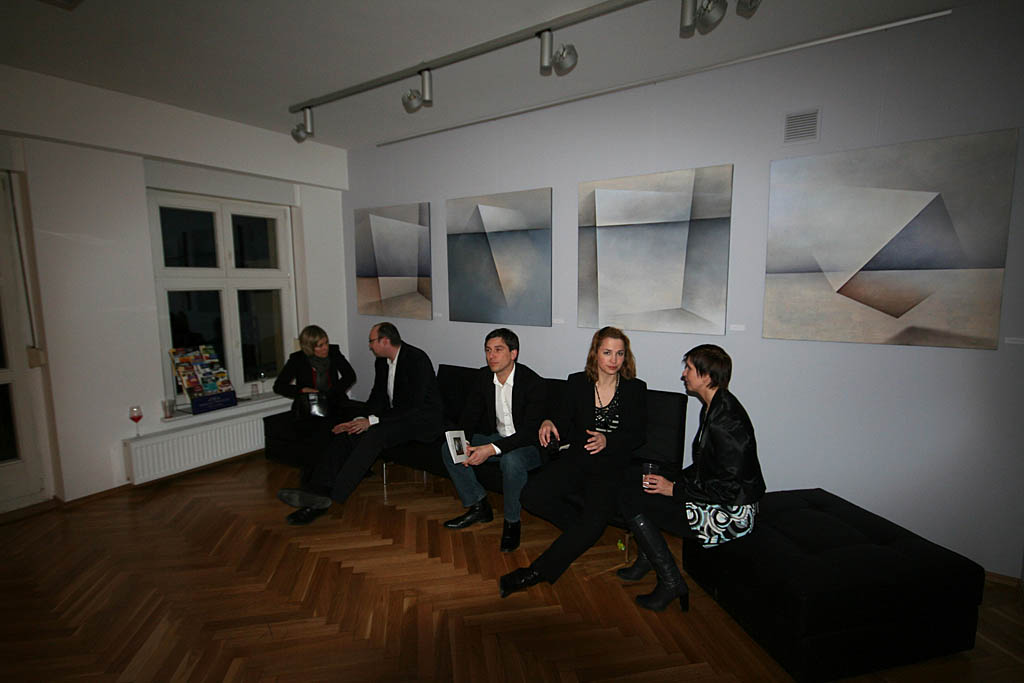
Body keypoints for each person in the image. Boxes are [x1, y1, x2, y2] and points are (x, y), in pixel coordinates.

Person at [499, 327, 647, 597]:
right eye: (607, 352)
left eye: (619, 353)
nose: (614, 360)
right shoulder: (578, 382)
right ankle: (579, 531)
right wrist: (549, 422)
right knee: (531, 496)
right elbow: (562, 418)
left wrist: (608, 440)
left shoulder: (635, 389)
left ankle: (536, 572)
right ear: (595, 354)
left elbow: (637, 435)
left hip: (611, 466)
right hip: (578, 459)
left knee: (592, 521)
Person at [617, 344, 766, 612]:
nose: (683, 374)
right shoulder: (713, 406)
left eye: (689, 368)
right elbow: (706, 467)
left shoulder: (727, 423)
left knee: (635, 501)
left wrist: (674, 489)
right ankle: (648, 557)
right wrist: (669, 479)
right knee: (634, 484)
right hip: (713, 495)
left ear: (707, 377)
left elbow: (729, 489)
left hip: (730, 514)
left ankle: (671, 581)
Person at [277, 322, 443, 525]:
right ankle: (316, 491)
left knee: (374, 435)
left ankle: (331, 498)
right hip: (396, 418)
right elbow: (377, 397)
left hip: (421, 421)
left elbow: (413, 406)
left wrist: (371, 421)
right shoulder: (382, 362)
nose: (370, 346)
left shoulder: (416, 359)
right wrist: (357, 420)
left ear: (385, 341)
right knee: (348, 431)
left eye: (372, 341)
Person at [442, 328, 546, 552]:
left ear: (513, 353)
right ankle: (478, 505)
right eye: (488, 350)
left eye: (498, 350)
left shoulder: (532, 383)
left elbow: (529, 433)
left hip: (528, 446)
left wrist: (490, 449)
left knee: (511, 460)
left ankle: (512, 522)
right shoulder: (484, 377)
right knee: (450, 448)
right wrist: (463, 442)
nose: (491, 356)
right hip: (498, 438)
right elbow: (469, 416)